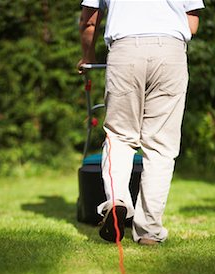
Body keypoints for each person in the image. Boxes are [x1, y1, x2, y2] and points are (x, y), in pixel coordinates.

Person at [78, 0, 205, 245]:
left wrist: (88, 56)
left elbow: (89, 21)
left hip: (125, 49)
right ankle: (149, 231)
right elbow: (192, 23)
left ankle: (116, 202)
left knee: (120, 136)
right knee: (160, 147)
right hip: (171, 51)